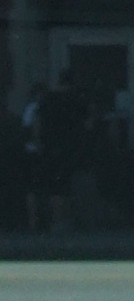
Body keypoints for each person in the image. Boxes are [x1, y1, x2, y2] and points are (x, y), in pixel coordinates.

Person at [37, 71, 89, 232]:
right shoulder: (76, 100)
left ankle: (55, 220)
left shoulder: (47, 99)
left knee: (53, 185)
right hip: (70, 148)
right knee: (66, 185)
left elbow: (38, 122)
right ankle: (65, 220)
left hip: (49, 147)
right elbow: (87, 122)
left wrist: (40, 142)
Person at [21, 81, 45, 233]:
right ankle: (34, 222)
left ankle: (34, 221)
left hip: (31, 151)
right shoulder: (34, 109)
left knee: (33, 187)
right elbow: (33, 129)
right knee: (35, 187)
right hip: (35, 152)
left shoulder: (28, 110)